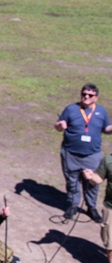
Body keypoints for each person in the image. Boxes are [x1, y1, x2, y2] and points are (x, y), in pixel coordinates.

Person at [55, 83, 111, 222]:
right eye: (84, 94)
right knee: (72, 181)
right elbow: (58, 126)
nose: (86, 97)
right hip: (71, 153)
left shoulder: (101, 111)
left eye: (90, 95)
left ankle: (91, 207)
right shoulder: (71, 109)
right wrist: (59, 126)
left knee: (92, 182)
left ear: (96, 98)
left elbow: (106, 129)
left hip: (92, 155)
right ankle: (73, 205)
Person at [81, 157, 112, 263]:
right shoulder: (108, 160)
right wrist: (91, 176)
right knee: (109, 239)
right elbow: (98, 179)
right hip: (111, 207)